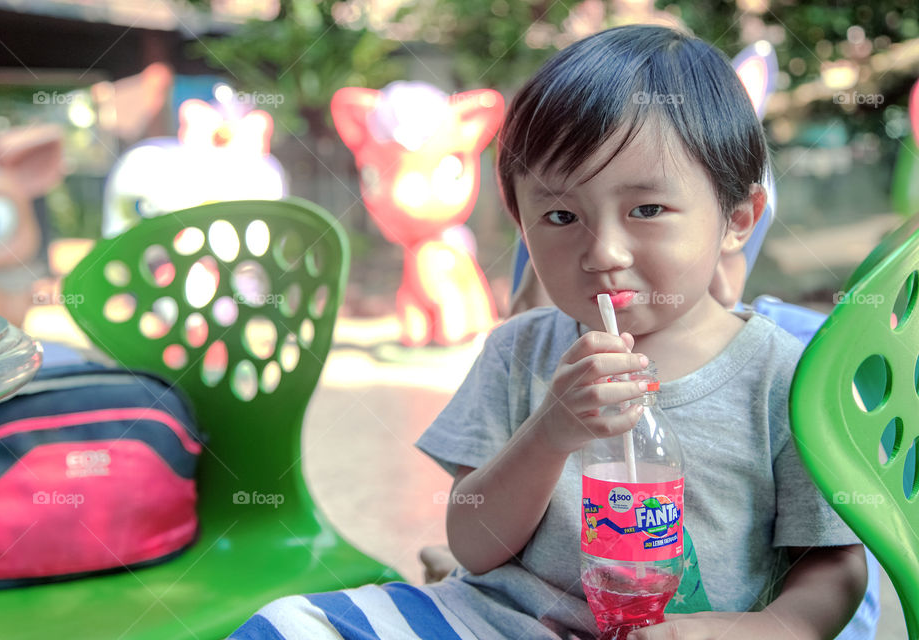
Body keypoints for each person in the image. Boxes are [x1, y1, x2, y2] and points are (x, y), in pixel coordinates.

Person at [230, 24, 867, 640]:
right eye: (561, 216)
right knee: (288, 626)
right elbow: (473, 545)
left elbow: (834, 565)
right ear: (522, 225)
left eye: (647, 209)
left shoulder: (784, 378)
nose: (604, 251)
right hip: (497, 620)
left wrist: (766, 630)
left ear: (738, 218)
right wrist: (549, 433)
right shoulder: (518, 352)